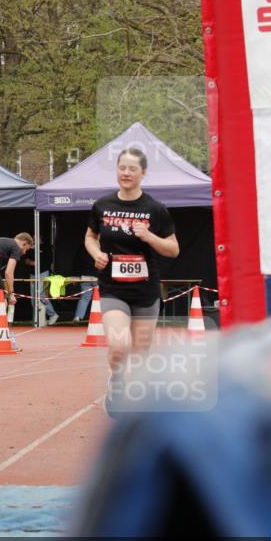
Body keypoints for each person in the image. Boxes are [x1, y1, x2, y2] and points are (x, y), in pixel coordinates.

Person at [84, 147, 179, 408]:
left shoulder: (155, 209)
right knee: (119, 344)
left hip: (146, 292)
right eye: (122, 168)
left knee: (140, 353)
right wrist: (96, 253)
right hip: (113, 289)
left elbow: (173, 249)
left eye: (132, 169)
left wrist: (149, 236)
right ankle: (116, 381)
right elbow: (90, 236)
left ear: (143, 173)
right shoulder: (102, 205)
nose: (126, 173)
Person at [0, 233, 34, 351]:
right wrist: (11, 293)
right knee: (2, 303)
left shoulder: (4, 240)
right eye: (26, 249)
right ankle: (3, 338)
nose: (24, 253)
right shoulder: (15, 247)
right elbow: (9, 272)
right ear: (24, 243)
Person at [24, 236, 59, 325]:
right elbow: (25, 260)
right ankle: (38, 318)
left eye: (36, 237)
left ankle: (53, 315)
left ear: (40, 238)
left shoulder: (46, 248)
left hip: (43, 273)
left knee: (41, 295)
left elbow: (48, 261)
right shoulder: (29, 248)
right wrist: (31, 263)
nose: (34, 239)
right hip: (32, 274)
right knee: (33, 297)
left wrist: (35, 263)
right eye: (33, 238)